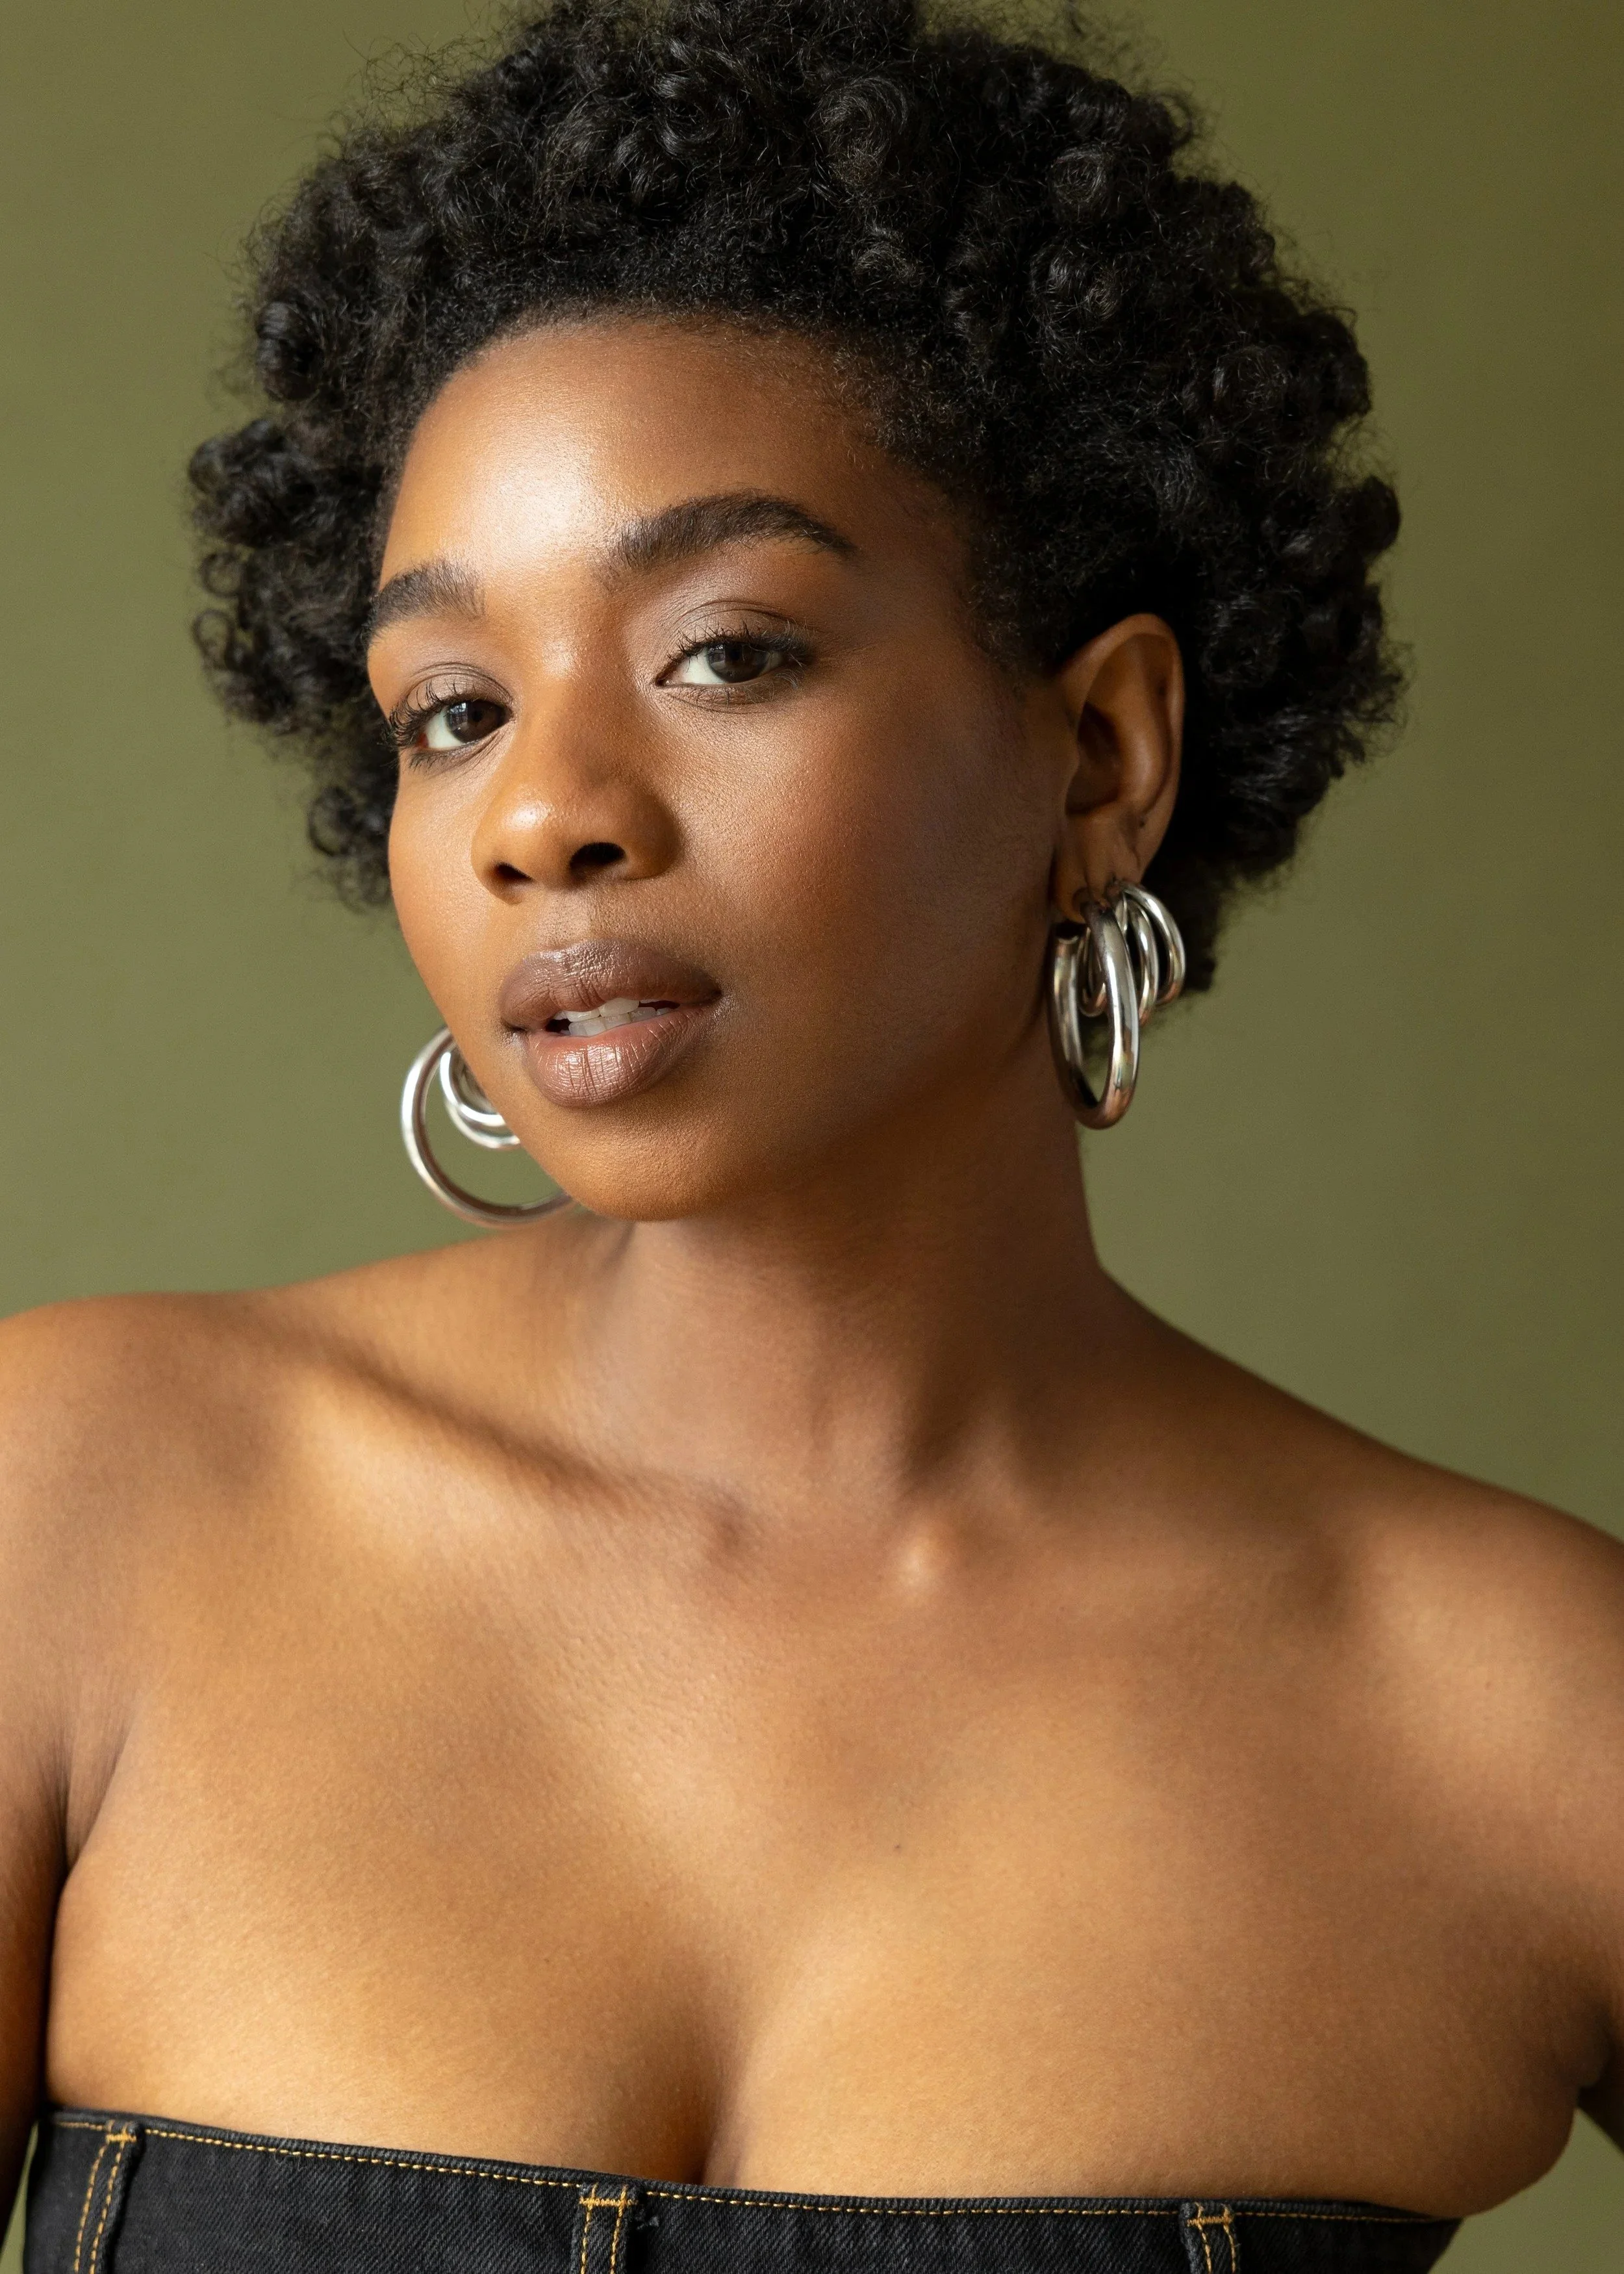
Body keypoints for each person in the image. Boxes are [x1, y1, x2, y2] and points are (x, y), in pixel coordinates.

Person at [3, 1, 1621, 2267]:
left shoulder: (1523, 1721)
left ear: (1098, 757)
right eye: (452, 708)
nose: (545, 814)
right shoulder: (74, 1516)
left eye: (725, 653)